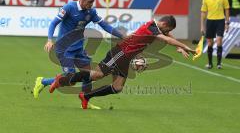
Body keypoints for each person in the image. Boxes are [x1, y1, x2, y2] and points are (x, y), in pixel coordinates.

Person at [48, 16, 196, 109]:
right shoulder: (152, 28)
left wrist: (179, 47)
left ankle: (86, 96)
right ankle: (62, 80)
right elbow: (167, 38)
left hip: (126, 58)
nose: (167, 31)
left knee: (117, 87)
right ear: (164, 23)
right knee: (96, 75)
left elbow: (168, 35)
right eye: (167, 29)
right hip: (119, 53)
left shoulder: (157, 26)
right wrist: (185, 47)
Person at [33, 0, 123, 109]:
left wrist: (123, 36)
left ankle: (86, 99)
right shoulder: (69, 7)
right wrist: (49, 40)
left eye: (93, 2)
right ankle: (42, 81)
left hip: (79, 48)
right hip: (64, 49)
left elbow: (105, 26)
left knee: (89, 74)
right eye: (89, 2)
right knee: (71, 79)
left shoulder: (91, 12)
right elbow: (54, 23)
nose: (91, 5)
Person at [200, 0, 230, 69]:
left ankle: (219, 63)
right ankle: (210, 63)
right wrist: (202, 26)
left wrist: (227, 22)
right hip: (210, 21)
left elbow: (227, 9)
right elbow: (203, 12)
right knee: (210, 43)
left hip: (220, 21)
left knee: (219, 40)